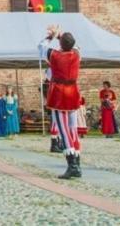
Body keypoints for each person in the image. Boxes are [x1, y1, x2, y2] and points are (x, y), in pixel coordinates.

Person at [39, 24, 83, 176]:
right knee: (73, 129)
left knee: (63, 130)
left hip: (59, 93)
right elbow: (75, 45)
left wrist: (51, 35)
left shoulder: (55, 55)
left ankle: (72, 165)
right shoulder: (77, 54)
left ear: (60, 44)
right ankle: (77, 162)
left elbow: (41, 46)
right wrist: (59, 35)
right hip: (73, 92)